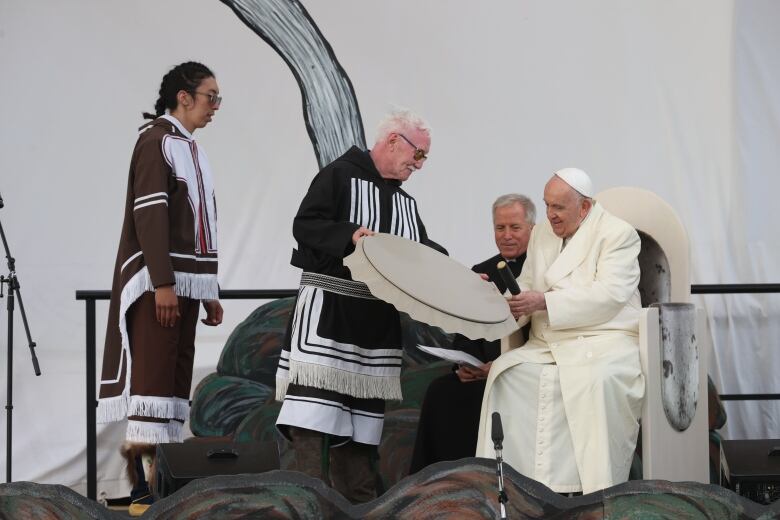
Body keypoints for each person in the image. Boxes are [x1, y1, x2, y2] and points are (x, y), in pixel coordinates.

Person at [275, 108, 443, 503]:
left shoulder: (407, 205)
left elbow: (424, 252)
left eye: (424, 158)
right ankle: (308, 505)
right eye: (417, 155)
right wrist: (349, 234)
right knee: (313, 422)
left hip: (374, 328)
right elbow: (306, 224)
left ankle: (361, 508)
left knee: (361, 435)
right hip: (329, 315)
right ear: (391, 141)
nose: (419, 165)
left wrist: (465, 279)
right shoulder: (338, 175)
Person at [97, 62, 224, 515]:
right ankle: (139, 487)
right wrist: (164, 283)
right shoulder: (155, 142)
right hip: (158, 284)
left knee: (172, 385)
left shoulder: (192, 148)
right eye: (211, 97)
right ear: (183, 97)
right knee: (150, 383)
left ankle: (163, 482)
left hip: (184, 285)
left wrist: (207, 289)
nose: (215, 107)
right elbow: (149, 214)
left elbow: (200, 226)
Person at [476, 168, 645, 495]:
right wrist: (508, 302)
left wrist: (544, 302)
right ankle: (512, 483)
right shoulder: (542, 234)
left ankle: (590, 490)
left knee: (595, 381)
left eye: (559, 208)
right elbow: (525, 284)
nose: (550, 215)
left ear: (584, 207)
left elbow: (609, 296)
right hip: (548, 341)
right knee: (505, 374)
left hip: (604, 339)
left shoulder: (618, 234)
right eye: (547, 205)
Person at [409, 193, 535, 474]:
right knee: (441, 392)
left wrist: (500, 366)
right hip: (481, 374)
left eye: (515, 228)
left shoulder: (542, 269)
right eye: (500, 228)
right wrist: (465, 365)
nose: (507, 236)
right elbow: (466, 331)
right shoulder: (481, 272)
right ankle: (435, 481)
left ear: (532, 229)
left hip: (523, 372)